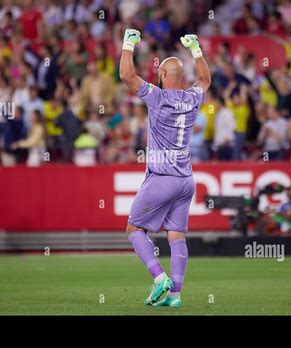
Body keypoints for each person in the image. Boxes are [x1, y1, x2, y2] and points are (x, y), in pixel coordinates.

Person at [120, 29, 210, 308]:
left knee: (134, 229)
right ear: (182, 77)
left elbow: (126, 76)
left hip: (162, 177)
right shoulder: (193, 97)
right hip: (186, 180)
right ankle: (175, 295)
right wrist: (196, 49)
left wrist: (128, 43)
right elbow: (205, 79)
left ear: (161, 76)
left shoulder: (157, 96)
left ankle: (160, 279)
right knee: (176, 236)